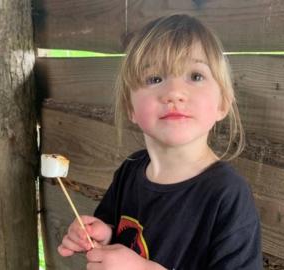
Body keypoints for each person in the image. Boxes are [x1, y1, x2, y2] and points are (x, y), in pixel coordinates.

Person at [57, 14, 262, 270]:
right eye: (155, 79)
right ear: (129, 107)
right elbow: (120, 234)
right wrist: (101, 235)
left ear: (223, 103)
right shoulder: (130, 171)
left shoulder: (227, 194)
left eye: (196, 76)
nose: (174, 92)